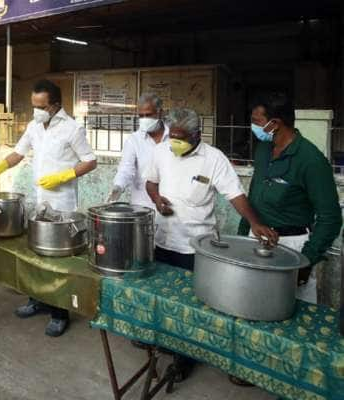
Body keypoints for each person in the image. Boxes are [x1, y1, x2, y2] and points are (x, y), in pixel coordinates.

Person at [143, 107, 277, 381]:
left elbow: (234, 194)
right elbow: (150, 183)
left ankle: (185, 357)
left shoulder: (213, 159)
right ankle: (164, 343)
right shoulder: (161, 151)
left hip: (195, 246)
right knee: (162, 298)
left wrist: (254, 222)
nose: (175, 142)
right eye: (172, 136)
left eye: (181, 137)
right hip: (163, 239)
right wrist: (157, 200)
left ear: (196, 135)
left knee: (190, 305)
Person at [0, 79, 97, 337]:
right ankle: (37, 300)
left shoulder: (72, 129)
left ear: (55, 105)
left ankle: (59, 312)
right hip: (40, 198)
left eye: (41, 106)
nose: (36, 110)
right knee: (36, 253)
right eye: (34, 105)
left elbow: (90, 162)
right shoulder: (35, 126)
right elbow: (19, 153)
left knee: (56, 260)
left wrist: (63, 176)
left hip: (62, 202)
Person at [239, 95, 342, 304]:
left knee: (288, 308)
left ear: (275, 123)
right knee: (251, 302)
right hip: (255, 239)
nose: (253, 126)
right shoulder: (263, 150)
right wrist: (244, 233)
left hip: (291, 246)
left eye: (257, 122)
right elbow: (255, 195)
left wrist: (306, 261)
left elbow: (330, 217)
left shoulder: (310, 160)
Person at [108, 93, 169, 206]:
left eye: (148, 115)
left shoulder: (173, 138)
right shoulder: (134, 140)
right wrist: (118, 186)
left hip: (170, 203)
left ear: (160, 113)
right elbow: (126, 168)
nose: (144, 119)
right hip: (142, 205)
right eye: (141, 116)